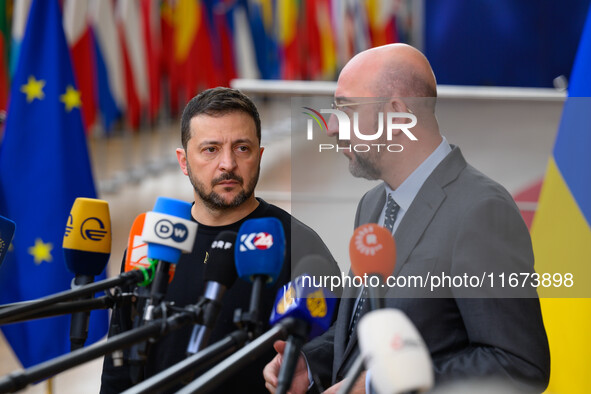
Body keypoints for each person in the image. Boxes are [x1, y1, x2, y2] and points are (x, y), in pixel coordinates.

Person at [264, 44, 550, 393]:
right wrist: (310, 365)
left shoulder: (480, 211)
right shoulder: (373, 203)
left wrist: (377, 385)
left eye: (347, 109)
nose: (331, 128)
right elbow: (361, 329)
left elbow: (518, 364)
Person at [100, 87, 340, 393]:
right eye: (210, 149)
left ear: (260, 156)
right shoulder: (153, 240)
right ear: (184, 161)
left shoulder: (300, 247)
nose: (227, 163)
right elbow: (118, 362)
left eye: (242, 148)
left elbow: (328, 358)